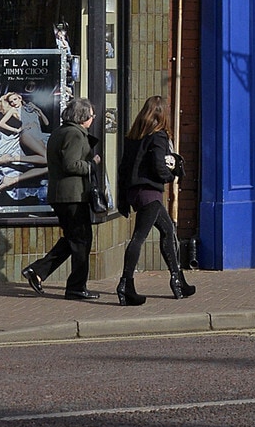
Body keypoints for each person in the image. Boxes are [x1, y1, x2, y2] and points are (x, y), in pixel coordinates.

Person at [116, 94, 195, 304]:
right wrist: (171, 176)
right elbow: (159, 166)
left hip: (135, 192)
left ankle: (178, 280)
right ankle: (126, 284)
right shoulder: (158, 136)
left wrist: (123, 197)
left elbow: (123, 169)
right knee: (139, 238)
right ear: (161, 114)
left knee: (168, 230)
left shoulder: (133, 136)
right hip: (149, 192)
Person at [21, 96, 100, 299]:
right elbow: (71, 164)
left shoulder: (61, 132)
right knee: (81, 240)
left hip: (62, 195)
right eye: (91, 115)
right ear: (83, 116)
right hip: (72, 196)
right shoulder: (74, 134)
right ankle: (76, 287)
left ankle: (38, 272)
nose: (93, 118)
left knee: (73, 239)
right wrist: (92, 164)